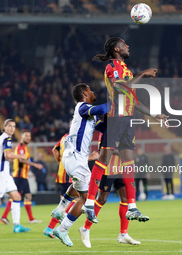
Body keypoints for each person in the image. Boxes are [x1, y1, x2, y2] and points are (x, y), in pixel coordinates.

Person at [84, 37, 168, 223]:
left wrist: (155, 115)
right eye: (124, 44)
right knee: (104, 159)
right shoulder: (112, 67)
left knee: (128, 162)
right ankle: (89, 202)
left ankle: (132, 207)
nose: (128, 46)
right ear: (116, 49)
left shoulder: (126, 69)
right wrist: (144, 73)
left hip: (128, 119)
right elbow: (122, 88)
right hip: (116, 117)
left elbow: (133, 100)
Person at [50, 83, 109, 247]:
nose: (92, 91)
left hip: (72, 158)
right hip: (76, 158)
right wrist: (119, 102)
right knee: (85, 197)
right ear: (84, 93)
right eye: (90, 90)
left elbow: (103, 127)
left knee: (77, 186)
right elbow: (102, 108)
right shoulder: (82, 107)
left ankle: (60, 209)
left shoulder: (88, 114)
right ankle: (62, 229)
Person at [79, 133, 140, 248]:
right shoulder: (106, 130)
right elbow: (102, 150)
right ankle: (85, 228)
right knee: (102, 199)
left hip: (121, 169)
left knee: (125, 199)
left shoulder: (127, 129)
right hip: (107, 170)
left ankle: (123, 234)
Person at [43, 131, 99, 239]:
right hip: (69, 175)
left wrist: (60, 163)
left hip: (63, 174)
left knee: (67, 204)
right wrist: (90, 157)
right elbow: (75, 158)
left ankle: (53, 227)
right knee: (75, 202)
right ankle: (53, 228)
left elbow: (55, 149)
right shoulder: (74, 138)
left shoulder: (65, 137)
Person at [0, 130, 43, 225]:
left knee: (28, 196)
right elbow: (22, 160)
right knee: (15, 196)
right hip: (19, 176)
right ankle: (4, 216)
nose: (28, 137)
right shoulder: (21, 147)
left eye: (29, 136)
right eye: (26, 136)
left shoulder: (24, 147)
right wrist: (35, 165)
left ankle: (31, 219)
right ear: (22, 137)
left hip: (24, 176)